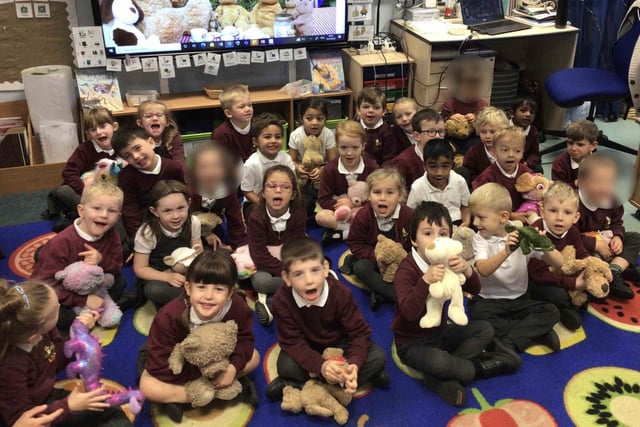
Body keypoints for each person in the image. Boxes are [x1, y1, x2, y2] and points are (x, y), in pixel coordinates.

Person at [392, 202, 521, 407]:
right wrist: (425, 281)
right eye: (427, 233)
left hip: (441, 332)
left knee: (484, 329)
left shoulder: (447, 261)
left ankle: (442, 376)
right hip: (412, 342)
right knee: (439, 362)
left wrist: (468, 270)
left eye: (443, 234)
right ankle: (478, 368)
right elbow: (408, 312)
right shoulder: (406, 270)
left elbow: (475, 289)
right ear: (414, 240)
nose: (436, 240)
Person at [140, 251, 260, 424]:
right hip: (179, 363)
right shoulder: (169, 316)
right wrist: (205, 376)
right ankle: (214, 390)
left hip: (218, 361)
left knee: (254, 357)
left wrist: (232, 368)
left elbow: (245, 340)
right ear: (188, 288)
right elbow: (159, 364)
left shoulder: (238, 307)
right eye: (201, 287)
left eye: (218, 289)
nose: (208, 296)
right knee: (147, 386)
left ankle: (192, 396)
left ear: (229, 293)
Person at [266, 237, 389, 401]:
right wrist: (321, 366)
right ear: (286, 278)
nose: (309, 280)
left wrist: (354, 364)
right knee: (286, 366)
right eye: (298, 274)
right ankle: (343, 384)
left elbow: (359, 332)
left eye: (314, 270)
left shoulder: (341, 293)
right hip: (308, 345)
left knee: (377, 356)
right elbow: (291, 341)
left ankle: (308, 386)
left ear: (325, 269)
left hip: (340, 342)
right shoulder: (281, 301)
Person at [0, 280, 132, 427]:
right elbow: (24, 420)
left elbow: (53, 358)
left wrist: (78, 336)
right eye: (56, 309)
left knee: (109, 409)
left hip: (46, 396)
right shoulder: (9, 368)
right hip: (38, 410)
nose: (59, 306)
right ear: (34, 335)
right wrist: (69, 406)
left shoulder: (41, 331)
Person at [468, 183, 565, 354]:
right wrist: (506, 251)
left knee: (551, 311)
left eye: (481, 217)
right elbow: (483, 269)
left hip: (519, 299)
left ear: (504, 217)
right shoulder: (480, 239)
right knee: (477, 317)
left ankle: (510, 341)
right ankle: (536, 333)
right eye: (474, 216)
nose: (475, 222)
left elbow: (559, 263)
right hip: (488, 300)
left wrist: (544, 246)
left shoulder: (523, 234)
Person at [32, 183, 126, 332]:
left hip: (91, 283)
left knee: (120, 282)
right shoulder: (61, 242)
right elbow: (46, 283)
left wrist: (101, 260)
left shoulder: (113, 235)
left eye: (112, 211)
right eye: (97, 208)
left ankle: (93, 311)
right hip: (60, 288)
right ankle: (89, 313)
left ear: (118, 217)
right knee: (56, 317)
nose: (104, 215)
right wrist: (83, 300)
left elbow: (116, 266)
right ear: (81, 211)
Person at [528, 182, 604, 331]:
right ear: (542, 211)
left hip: (565, 272)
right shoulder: (535, 232)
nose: (560, 218)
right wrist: (574, 284)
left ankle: (573, 301)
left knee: (595, 274)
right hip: (539, 279)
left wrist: (589, 272)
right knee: (557, 295)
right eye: (553, 211)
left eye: (567, 213)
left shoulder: (573, 231)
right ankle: (566, 308)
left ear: (576, 217)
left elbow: (582, 254)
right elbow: (539, 275)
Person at [343, 168, 413, 310]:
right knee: (360, 268)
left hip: (401, 261)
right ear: (368, 195)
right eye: (377, 192)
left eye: (390, 192)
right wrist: (376, 256)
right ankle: (396, 296)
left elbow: (416, 244)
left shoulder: (409, 215)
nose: (383, 198)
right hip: (374, 260)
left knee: (414, 271)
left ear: (400, 195)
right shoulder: (363, 215)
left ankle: (379, 291)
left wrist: (403, 259)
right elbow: (355, 243)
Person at [247, 165, 307, 326]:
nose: (278, 191)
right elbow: (259, 256)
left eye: (285, 187)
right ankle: (303, 286)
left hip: (289, 256)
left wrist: (293, 266)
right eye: (272, 186)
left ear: (293, 194)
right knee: (261, 282)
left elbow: (298, 244)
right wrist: (288, 272)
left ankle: (271, 305)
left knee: (310, 259)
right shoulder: (256, 218)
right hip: (265, 261)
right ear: (263, 192)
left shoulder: (298, 213)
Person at [576, 154, 640, 299]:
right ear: (582, 182)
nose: (605, 188)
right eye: (598, 182)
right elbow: (568, 236)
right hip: (585, 248)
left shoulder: (612, 200)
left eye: (610, 182)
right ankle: (608, 275)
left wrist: (617, 235)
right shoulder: (574, 203)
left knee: (635, 238)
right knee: (585, 259)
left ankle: (614, 271)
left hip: (607, 242)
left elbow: (617, 222)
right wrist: (595, 245)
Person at [132, 180, 202, 308]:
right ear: (155, 211)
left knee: (218, 262)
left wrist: (196, 270)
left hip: (188, 269)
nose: (176, 216)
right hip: (161, 273)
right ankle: (194, 298)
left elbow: (198, 250)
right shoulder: (147, 233)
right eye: (167, 211)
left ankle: (194, 296)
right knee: (153, 290)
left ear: (189, 204)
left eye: (181, 208)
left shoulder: (193, 222)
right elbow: (140, 269)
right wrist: (167, 277)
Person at [47, 107, 119, 228]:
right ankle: (87, 214)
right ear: (88, 134)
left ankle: (88, 216)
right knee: (63, 191)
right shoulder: (84, 149)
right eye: (93, 129)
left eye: (103, 126)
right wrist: (86, 190)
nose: (99, 132)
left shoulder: (122, 147)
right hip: (86, 193)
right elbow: (69, 173)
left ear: (114, 126)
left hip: (111, 194)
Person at [113, 127, 185, 237]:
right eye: (128, 156)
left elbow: (185, 199)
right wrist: (139, 239)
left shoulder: (174, 168)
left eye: (137, 148)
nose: (136, 156)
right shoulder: (126, 177)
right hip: (146, 228)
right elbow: (130, 212)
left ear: (151, 142)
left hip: (176, 220)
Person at [315, 121, 378, 245]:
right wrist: (343, 206)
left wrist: (357, 207)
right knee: (320, 217)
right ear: (337, 146)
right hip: (339, 214)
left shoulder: (372, 167)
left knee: (376, 214)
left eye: (355, 148)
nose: (349, 153)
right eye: (344, 148)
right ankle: (351, 232)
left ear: (363, 146)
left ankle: (342, 234)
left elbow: (377, 196)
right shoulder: (330, 169)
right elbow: (323, 199)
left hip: (362, 211)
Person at [187, 142, 246, 250]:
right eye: (203, 167)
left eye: (216, 167)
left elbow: (235, 221)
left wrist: (239, 248)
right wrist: (205, 234)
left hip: (213, 226)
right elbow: (183, 220)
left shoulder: (227, 190)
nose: (210, 173)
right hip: (187, 230)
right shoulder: (189, 192)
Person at [288, 98, 338, 217]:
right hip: (303, 174)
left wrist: (322, 170)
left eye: (319, 118)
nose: (314, 123)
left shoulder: (328, 134)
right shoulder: (295, 135)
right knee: (300, 195)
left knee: (331, 189)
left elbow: (333, 162)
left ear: (325, 119)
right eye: (309, 118)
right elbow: (291, 161)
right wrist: (298, 168)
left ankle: (323, 206)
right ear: (301, 119)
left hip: (322, 172)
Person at [472, 126, 534, 222]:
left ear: (523, 152)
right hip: (497, 221)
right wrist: (512, 216)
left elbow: (535, 195)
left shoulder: (526, 173)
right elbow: (481, 205)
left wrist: (531, 210)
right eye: (505, 150)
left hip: (524, 217)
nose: (511, 155)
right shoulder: (487, 178)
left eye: (517, 151)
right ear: (495, 151)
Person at [241, 113, 296, 219]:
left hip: (283, 199)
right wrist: (265, 205)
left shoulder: (286, 158)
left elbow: (293, 183)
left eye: (278, 137)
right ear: (255, 141)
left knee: (303, 206)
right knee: (256, 215)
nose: (273, 141)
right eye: (267, 137)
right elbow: (247, 191)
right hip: (257, 202)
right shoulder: (251, 164)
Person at [407, 139, 470, 227]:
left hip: (456, 223)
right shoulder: (417, 187)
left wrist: (465, 223)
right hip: (430, 226)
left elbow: (466, 205)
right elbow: (410, 213)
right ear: (424, 166)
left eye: (445, 166)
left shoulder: (459, 181)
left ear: (452, 165)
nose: (439, 173)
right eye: (433, 166)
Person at [441, 55, 489, 154]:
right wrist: (451, 117)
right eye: (467, 85)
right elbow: (442, 123)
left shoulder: (483, 105)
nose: (471, 89)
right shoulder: (449, 104)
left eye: (475, 85)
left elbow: (487, 126)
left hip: (473, 139)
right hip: (454, 139)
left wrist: (477, 119)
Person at [391, 108, 446, 192]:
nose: (438, 136)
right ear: (417, 136)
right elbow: (398, 194)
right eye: (431, 132)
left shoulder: (446, 155)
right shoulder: (402, 162)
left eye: (441, 131)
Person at [462, 106, 509, 183]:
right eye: (483, 132)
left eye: (492, 132)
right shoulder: (473, 152)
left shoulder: (510, 150)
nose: (487, 136)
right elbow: (468, 175)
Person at [212, 84, 255, 163]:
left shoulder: (258, 126)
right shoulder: (220, 134)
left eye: (249, 105)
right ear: (228, 113)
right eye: (242, 106)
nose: (248, 109)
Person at [552, 119, 598, 189]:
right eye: (570, 143)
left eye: (580, 145)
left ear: (593, 146)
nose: (573, 148)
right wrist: (576, 184)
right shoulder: (559, 164)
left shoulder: (598, 163)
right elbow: (557, 190)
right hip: (568, 198)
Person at [356, 87, 396, 166]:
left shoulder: (388, 132)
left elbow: (389, 159)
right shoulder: (353, 129)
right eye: (366, 107)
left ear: (384, 111)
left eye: (376, 107)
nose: (371, 110)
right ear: (358, 110)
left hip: (378, 173)